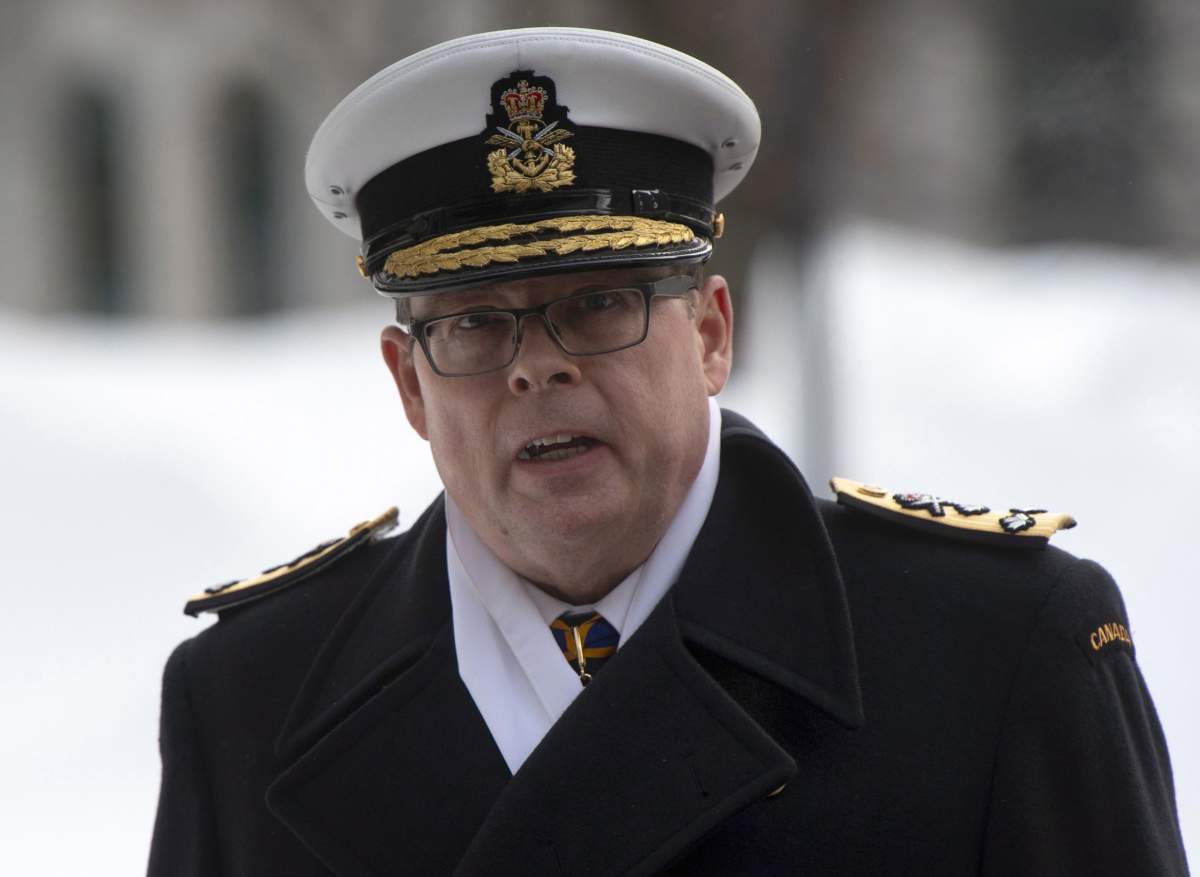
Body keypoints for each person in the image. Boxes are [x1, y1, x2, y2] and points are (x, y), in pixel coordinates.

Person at [147, 27, 1190, 877]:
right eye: (472, 324)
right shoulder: (249, 699)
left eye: (599, 304)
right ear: (410, 385)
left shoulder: (995, 651)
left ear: (712, 336)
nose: (537, 368)